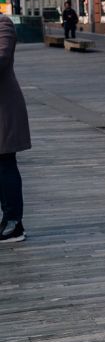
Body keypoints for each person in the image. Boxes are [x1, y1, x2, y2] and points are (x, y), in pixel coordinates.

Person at [0, 13, 32, 243]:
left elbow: (2, 59)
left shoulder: (3, 24)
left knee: (4, 164)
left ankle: (13, 223)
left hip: (3, 109)